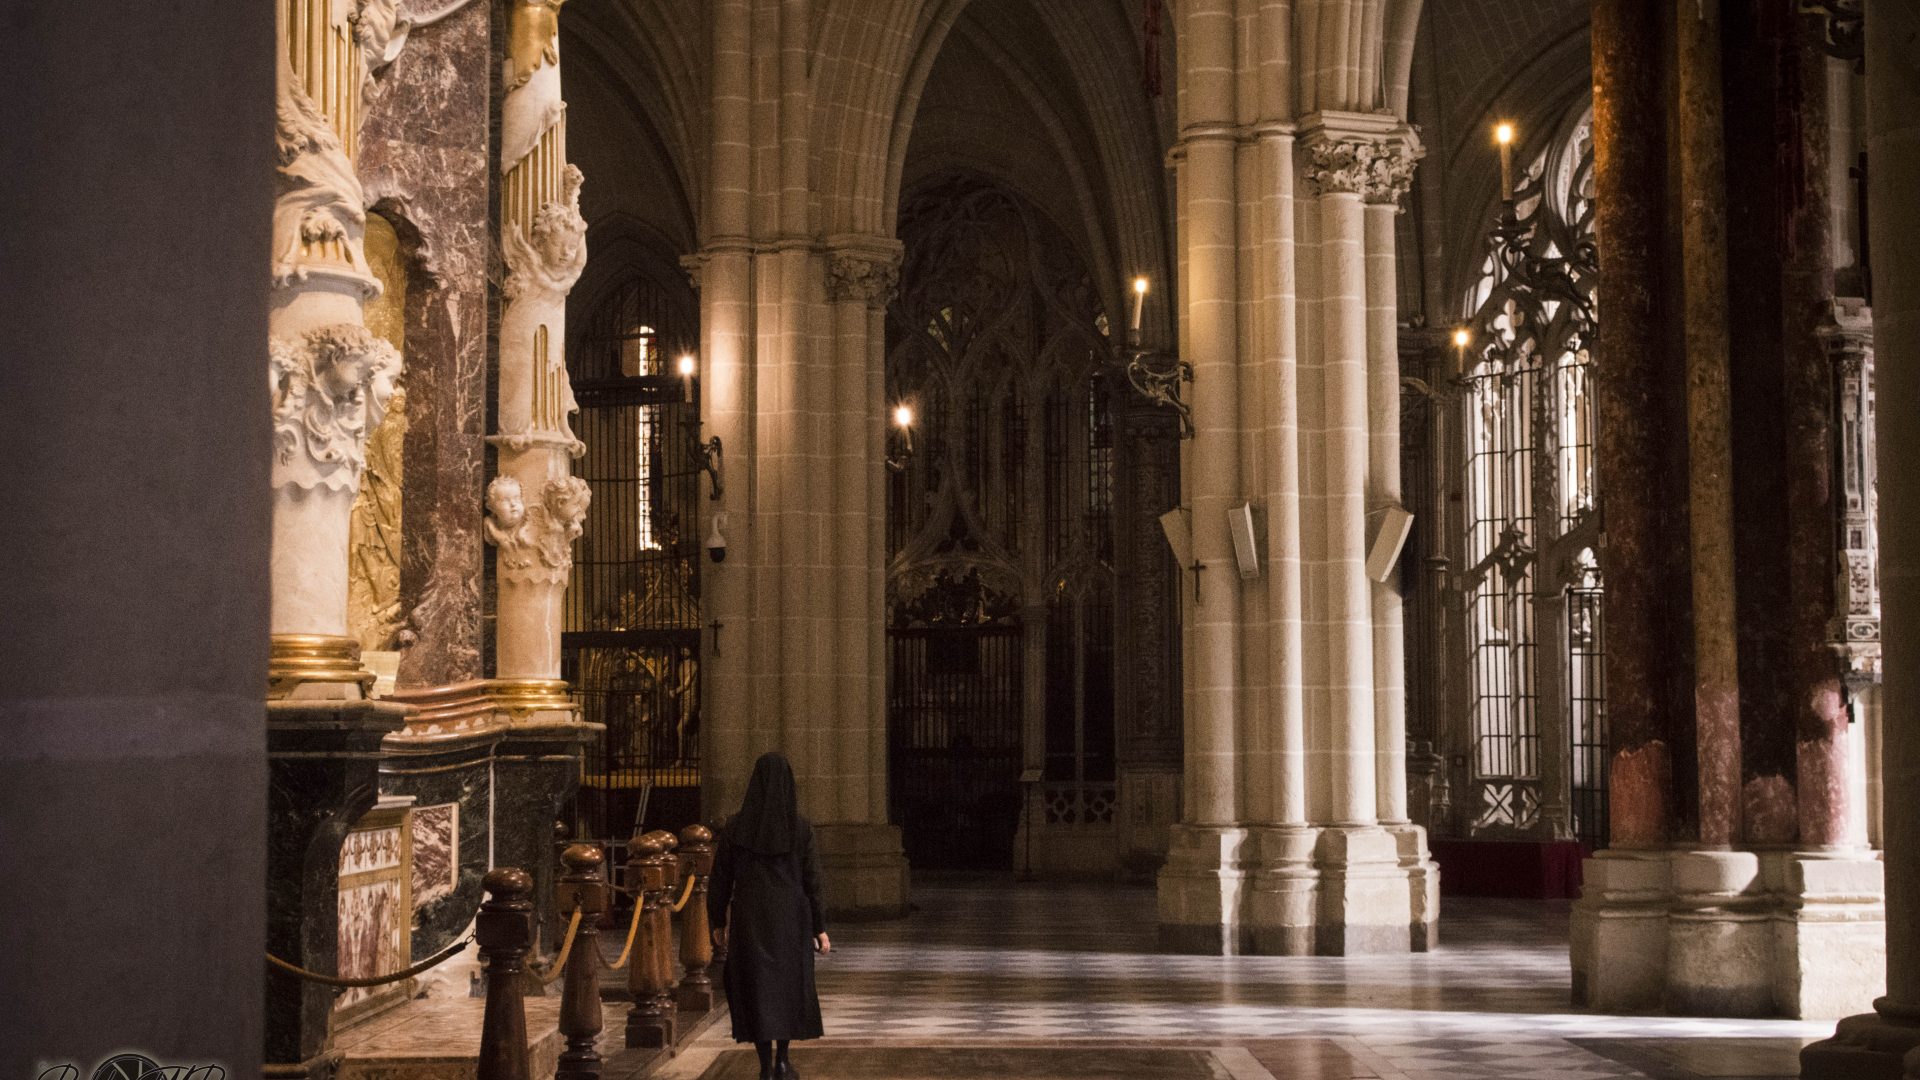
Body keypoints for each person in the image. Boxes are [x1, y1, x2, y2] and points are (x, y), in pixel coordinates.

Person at [708, 752, 830, 1080]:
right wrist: (819, 928)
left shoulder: (735, 827)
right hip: (790, 921)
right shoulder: (800, 828)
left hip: (750, 920)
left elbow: (720, 878)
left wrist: (717, 920)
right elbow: (813, 881)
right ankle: (783, 1061)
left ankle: (764, 1064)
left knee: (756, 990)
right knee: (787, 989)